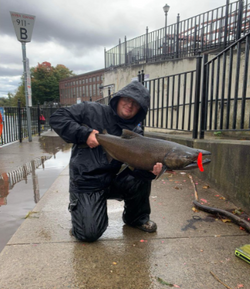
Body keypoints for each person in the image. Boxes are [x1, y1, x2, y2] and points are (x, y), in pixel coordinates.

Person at [49, 80, 163, 242]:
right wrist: (84, 134)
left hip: (116, 179)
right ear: (119, 98)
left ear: (140, 109)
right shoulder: (91, 110)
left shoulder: (136, 132)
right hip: (88, 181)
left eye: (136, 104)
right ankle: (80, 211)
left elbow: (136, 168)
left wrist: (150, 171)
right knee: (88, 234)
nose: (130, 105)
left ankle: (136, 218)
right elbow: (57, 117)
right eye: (127, 99)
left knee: (141, 176)